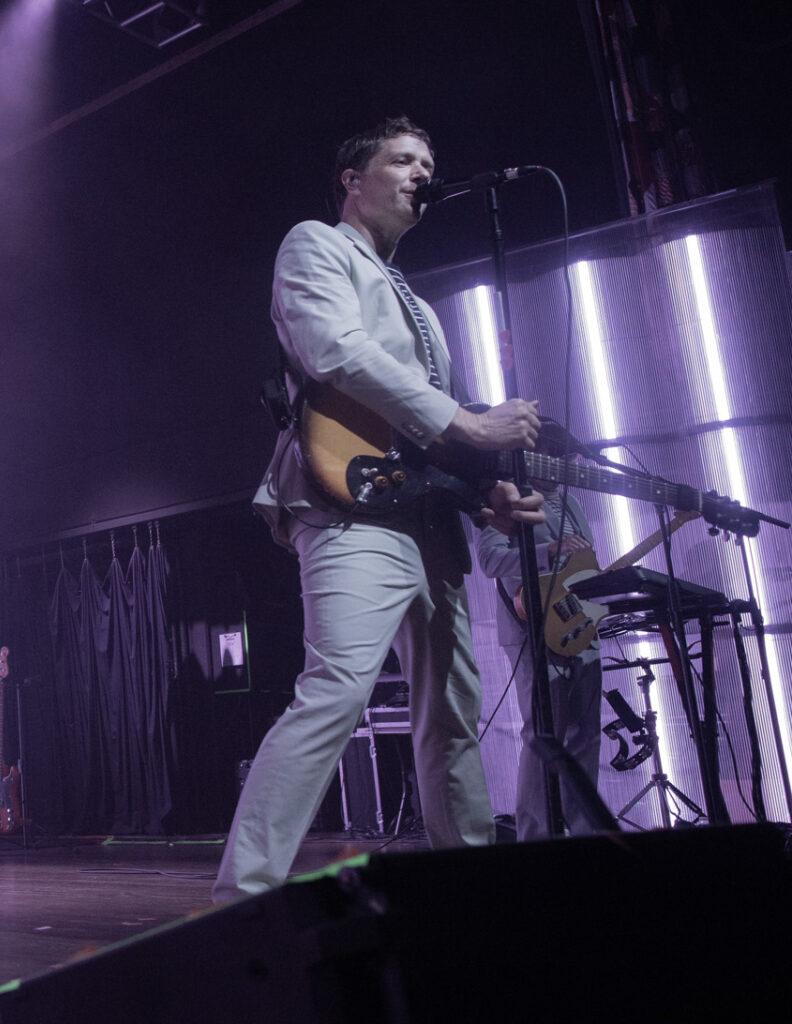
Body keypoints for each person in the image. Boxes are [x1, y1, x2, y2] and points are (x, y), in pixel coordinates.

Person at [214, 117, 545, 902]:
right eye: (402, 160)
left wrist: (485, 495)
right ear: (352, 180)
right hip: (349, 508)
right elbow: (334, 350)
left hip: (427, 523)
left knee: (453, 716)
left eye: (428, 162)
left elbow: (433, 441)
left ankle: (469, 894)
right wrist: (467, 422)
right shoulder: (315, 246)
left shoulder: (421, 309)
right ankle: (244, 899)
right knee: (335, 690)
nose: (421, 173)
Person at [477, 480, 603, 841]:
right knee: (545, 735)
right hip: (533, 629)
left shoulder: (570, 501)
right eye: (560, 456)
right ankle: (535, 837)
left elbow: (581, 562)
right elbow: (490, 560)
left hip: (580, 623)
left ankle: (585, 831)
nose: (570, 462)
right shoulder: (510, 499)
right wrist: (548, 550)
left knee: (586, 734)